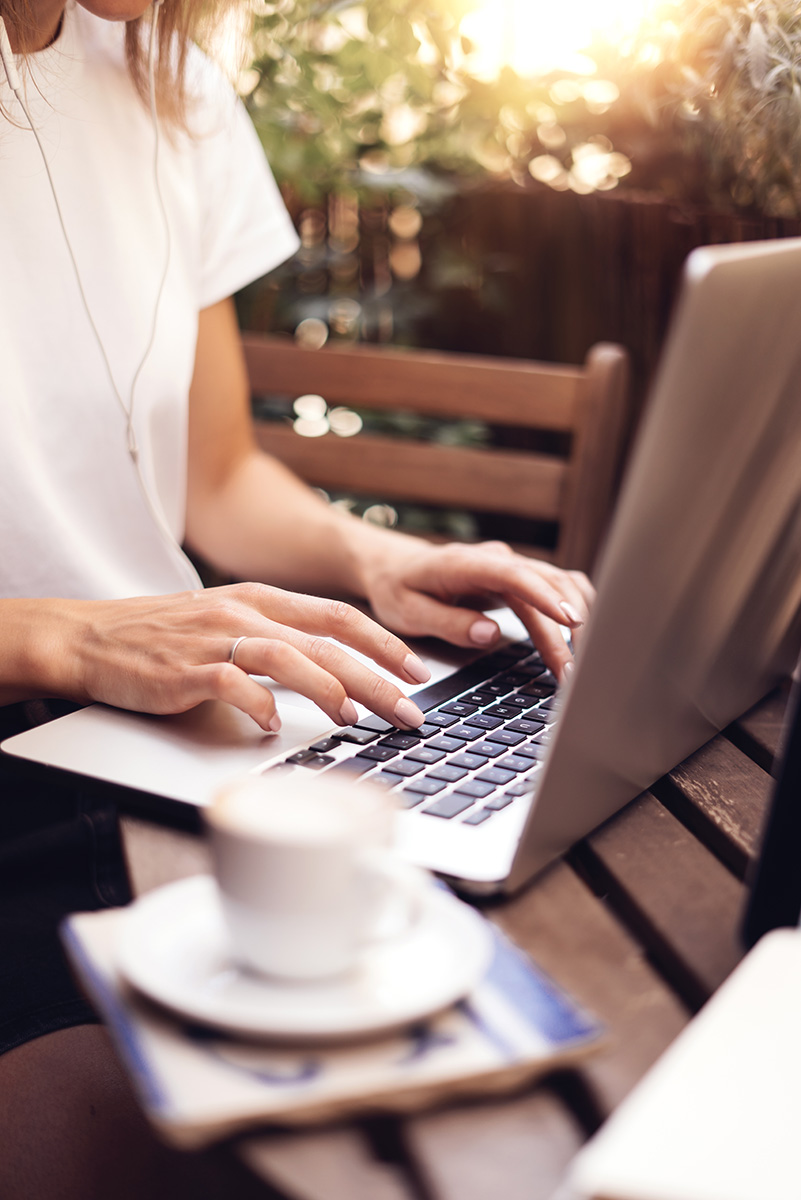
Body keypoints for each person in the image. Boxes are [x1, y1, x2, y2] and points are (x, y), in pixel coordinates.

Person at [0, 0, 594, 1193]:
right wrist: (57, 633)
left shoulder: (171, 86)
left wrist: (377, 559)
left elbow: (213, 475)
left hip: (168, 746)